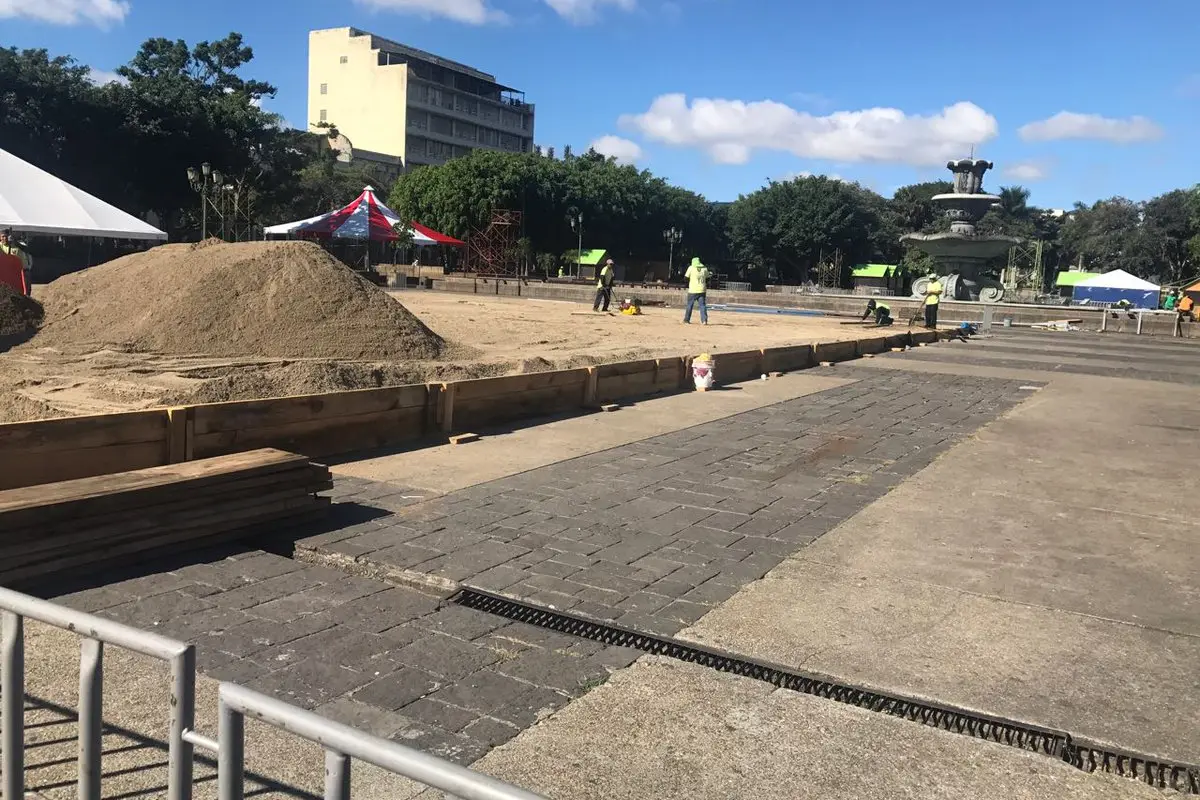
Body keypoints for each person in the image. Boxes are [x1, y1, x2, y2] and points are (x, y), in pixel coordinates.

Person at [0, 231, 31, 296]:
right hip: (10, 272)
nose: (4, 238)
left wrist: (15, 243)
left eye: (6, 236)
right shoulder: (1, 245)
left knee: (25, 291)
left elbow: (27, 250)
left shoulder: (19, 244)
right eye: (3, 236)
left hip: (23, 270)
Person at [682, 256, 710, 325]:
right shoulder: (704, 269)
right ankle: (704, 320)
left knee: (690, 305)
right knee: (702, 305)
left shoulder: (691, 268)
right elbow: (708, 278)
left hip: (692, 290)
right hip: (702, 290)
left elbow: (685, 278)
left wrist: (689, 282)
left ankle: (686, 320)